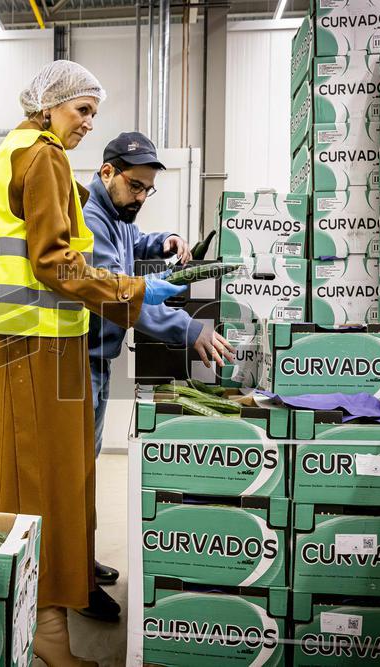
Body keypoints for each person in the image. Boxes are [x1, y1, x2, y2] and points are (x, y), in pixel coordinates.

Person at [0, 61, 184, 666]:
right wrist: (132, 292)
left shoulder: (10, 152)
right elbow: (54, 262)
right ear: (48, 105)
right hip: (37, 348)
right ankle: (48, 632)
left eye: (93, 113)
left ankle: (3, 618)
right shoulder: (44, 156)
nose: (87, 122)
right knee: (46, 487)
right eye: (81, 109)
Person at [81, 132, 236, 620]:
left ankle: (79, 560)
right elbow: (119, 296)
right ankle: (73, 584)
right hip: (77, 361)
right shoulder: (92, 218)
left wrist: (162, 239)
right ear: (107, 172)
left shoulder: (117, 214)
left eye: (149, 189)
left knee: (86, 470)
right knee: (76, 474)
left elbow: (132, 242)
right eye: (136, 186)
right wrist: (186, 327)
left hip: (97, 359)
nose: (141, 197)